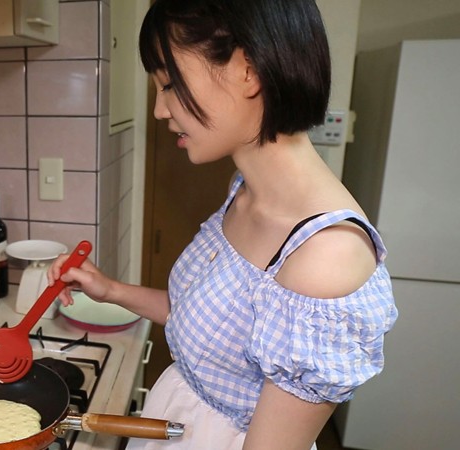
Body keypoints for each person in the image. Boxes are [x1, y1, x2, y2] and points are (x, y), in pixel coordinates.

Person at [47, 0, 398, 449]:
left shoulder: (327, 256)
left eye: (170, 83)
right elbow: (206, 327)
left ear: (247, 69)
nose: (160, 110)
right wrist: (110, 290)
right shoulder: (245, 191)